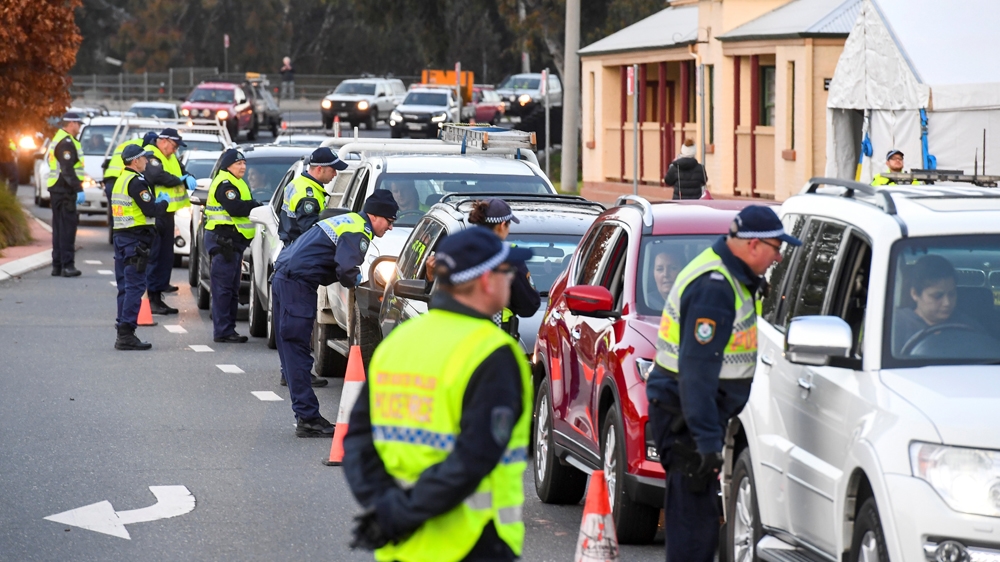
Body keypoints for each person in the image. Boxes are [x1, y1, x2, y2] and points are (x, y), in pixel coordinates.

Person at [343, 226, 534, 562]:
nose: (514, 281)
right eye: (509, 272)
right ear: (487, 281)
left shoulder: (400, 342)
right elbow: (474, 457)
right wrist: (403, 514)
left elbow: (358, 439)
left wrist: (386, 507)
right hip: (472, 544)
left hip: (400, 547)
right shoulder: (493, 353)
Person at [646, 205, 801, 562]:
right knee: (693, 534)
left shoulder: (727, 276)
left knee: (696, 527)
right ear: (752, 245)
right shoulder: (714, 288)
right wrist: (706, 443)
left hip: (690, 419)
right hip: (687, 423)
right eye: (776, 248)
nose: (777, 257)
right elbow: (696, 373)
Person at [271, 190, 398, 437]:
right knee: (298, 352)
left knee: (291, 351)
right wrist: (360, 283)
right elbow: (347, 268)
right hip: (296, 285)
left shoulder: (346, 220)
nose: (391, 227)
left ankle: (305, 413)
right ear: (374, 216)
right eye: (389, 221)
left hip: (285, 278)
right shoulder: (358, 230)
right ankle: (308, 418)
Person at [110, 144, 170, 350]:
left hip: (121, 238)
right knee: (135, 287)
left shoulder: (121, 180)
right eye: (144, 158)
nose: (147, 161)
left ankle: (122, 328)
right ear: (135, 161)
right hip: (135, 240)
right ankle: (126, 333)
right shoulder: (136, 182)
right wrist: (164, 204)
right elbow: (150, 209)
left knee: (124, 287)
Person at [204, 148, 263, 343]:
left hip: (232, 243)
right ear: (228, 165)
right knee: (223, 289)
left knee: (230, 288)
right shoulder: (225, 183)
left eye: (244, 163)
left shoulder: (236, 182)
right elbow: (235, 208)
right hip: (224, 242)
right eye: (238, 163)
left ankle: (228, 329)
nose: (243, 167)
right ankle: (222, 331)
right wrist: (255, 205)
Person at [143, 128, 197, 314]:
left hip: (168, 213)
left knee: (166, 257)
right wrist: (178, 180)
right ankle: (152, 298)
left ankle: (159, 295)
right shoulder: (151, 155)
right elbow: (156, 175)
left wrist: (188, 175)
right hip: (156, 213)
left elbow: (181, 170)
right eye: (173, 146)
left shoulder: (170, 157)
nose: (174, 150)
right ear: (163, 140)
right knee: (156, 256)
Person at [892, 254, 978, 354]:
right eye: (937, 296)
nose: (947, 303)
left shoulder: (968, 326)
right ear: (915, 294)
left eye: (952, 294)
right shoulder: (895, 326)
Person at [278, 147, 348, 246]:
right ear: (319, 169)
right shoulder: (308, 196)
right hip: (302, 251)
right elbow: (310, 232)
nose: (335, 174)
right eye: (332, 170)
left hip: (291, 247)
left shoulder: (298, 183)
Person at [47, 112, 86, 278]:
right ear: (71, 123)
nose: (79, 127)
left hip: (58, 189)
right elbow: (67, 169)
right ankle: (67, 265)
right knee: (67, 229)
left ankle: (57, 265)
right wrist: (78, 188)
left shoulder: (60, 138)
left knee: (58, 228)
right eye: (78, 124)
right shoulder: (67, 143)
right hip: (64, 190)